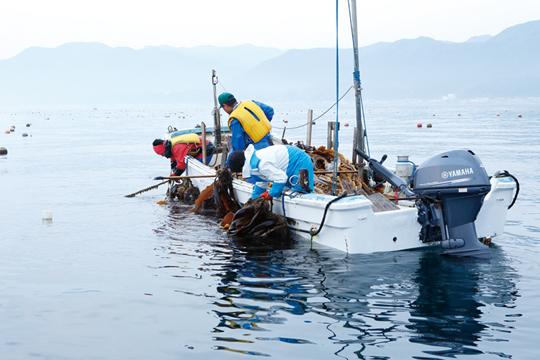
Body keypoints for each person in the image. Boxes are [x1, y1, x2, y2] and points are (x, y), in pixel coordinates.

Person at [228, 144, 314, 200]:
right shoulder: (254, 162)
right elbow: (261, 183)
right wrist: (253, 200)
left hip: (300, 161)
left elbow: (281, 178)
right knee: (290, 191)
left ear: (242, 168)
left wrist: (271, 194)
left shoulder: (261, 164)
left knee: (302, 192)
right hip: (289, 166)